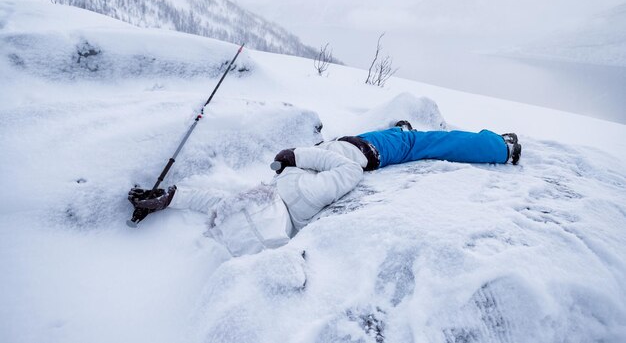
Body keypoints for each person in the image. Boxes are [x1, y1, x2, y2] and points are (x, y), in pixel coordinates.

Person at [128, 121, 521, 255]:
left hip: (349, 142)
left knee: (402, 135)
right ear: (263, 210)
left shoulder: (265, 209)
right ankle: (501, 148)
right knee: (434, 142)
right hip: (368, 150)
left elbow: (215, 200)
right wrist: (298, 155)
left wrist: (171, 197)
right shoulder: (304, 197)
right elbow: (348, 171)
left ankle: (398, 129)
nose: (243, 198)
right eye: (246, 203)